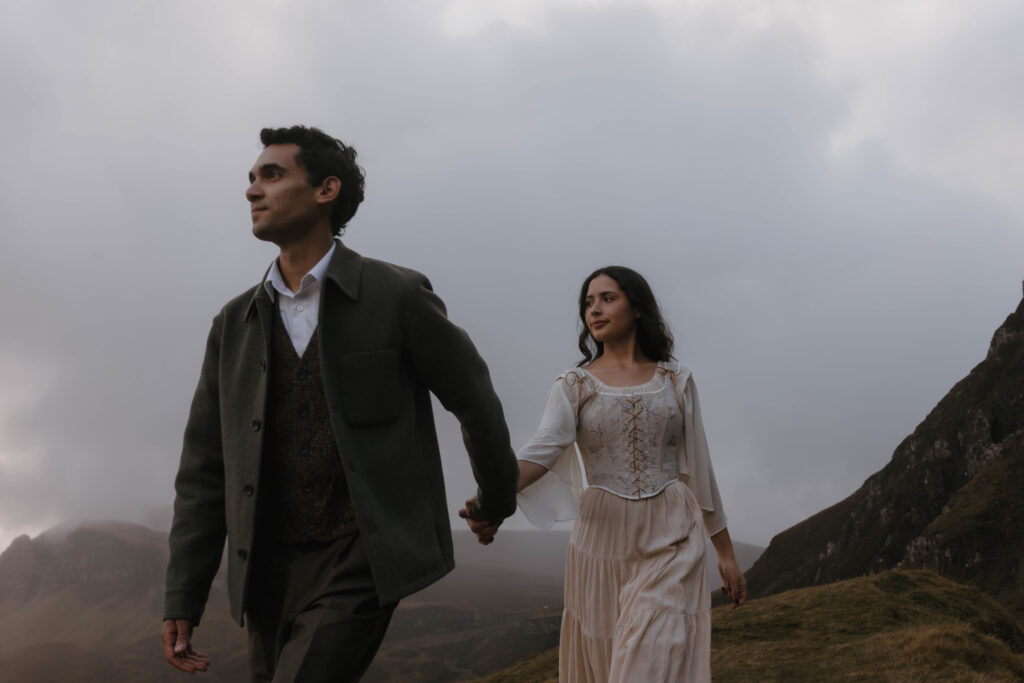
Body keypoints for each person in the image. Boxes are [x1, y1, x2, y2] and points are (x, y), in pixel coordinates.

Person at [161, 125, 519, 682]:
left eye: (272, 175)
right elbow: (204, 471)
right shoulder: (232, 325)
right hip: (264, 572)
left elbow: (474, 400)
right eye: (251, 178)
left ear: (327, 190)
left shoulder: (397, 296)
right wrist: (183, 596)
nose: (252, 190)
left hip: (362, 556)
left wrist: (497, 497)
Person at [465, 266, 746, 682]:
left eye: (607, 299)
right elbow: (543, 450)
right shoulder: (574, 384)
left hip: (673, 533)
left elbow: (701, 469)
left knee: (653, 654)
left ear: (638, 308)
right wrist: (492, 500)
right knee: (610, 660)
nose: (594, 310)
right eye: (588, 302)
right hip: (601, 539)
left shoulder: (677, 381)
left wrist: (725, 553)